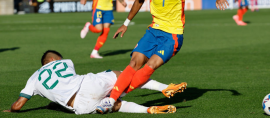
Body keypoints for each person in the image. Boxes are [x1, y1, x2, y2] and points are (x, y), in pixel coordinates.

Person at [96, 0, 229, 113]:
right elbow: (139, 0)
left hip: (172, 36)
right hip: (153, 31)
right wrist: (125, 24)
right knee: (134, 63)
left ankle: (115, 95)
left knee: (149, 67)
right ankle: (110, 100)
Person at [3, 50, 183, 115]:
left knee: (117, 105)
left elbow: (18, 106)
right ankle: (163, 88)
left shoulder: (33, 79)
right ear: (52, 59)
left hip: (80, 106)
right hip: (88, 84)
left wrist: (10, 109)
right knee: (123, 75)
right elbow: (67, 82)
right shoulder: (65, 62)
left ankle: (147, 110)